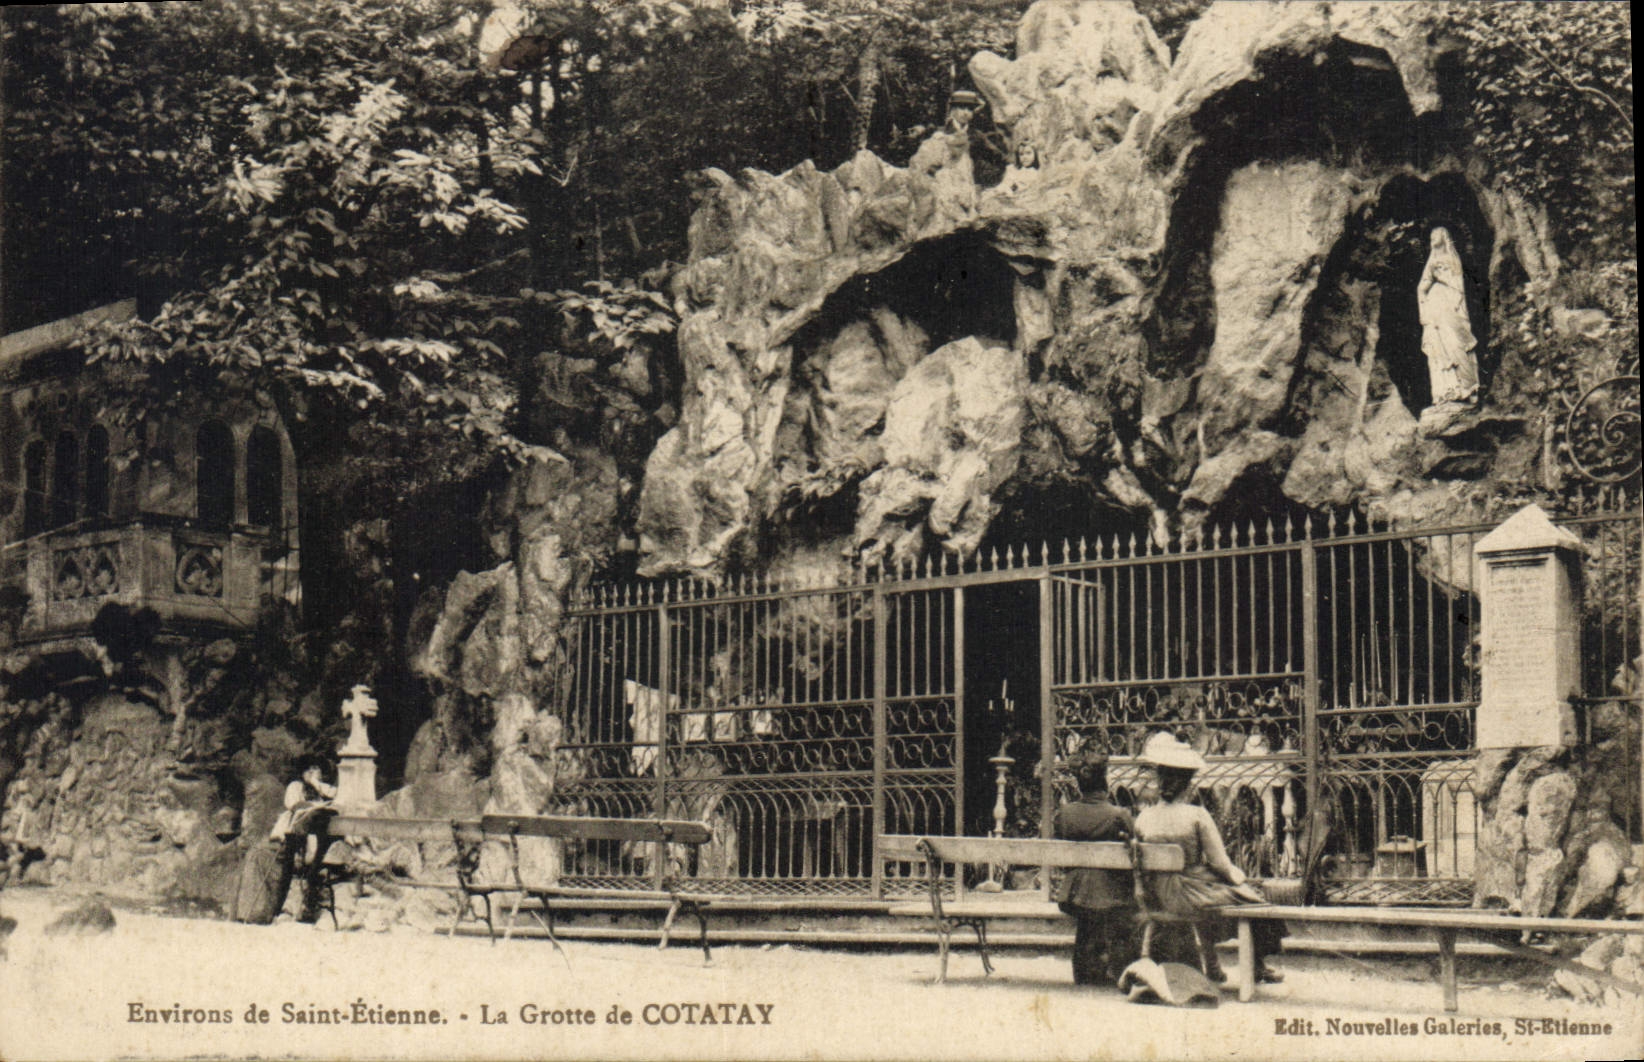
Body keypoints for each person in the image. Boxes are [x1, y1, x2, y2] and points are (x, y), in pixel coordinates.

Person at [1133, 732, 1285, 984]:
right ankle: (1256, 965)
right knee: (1252, 900)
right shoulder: (1197, 815)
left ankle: (1213, 966)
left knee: (1211, 896)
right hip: (1191, 895)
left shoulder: (1143, 818)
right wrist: (1239, 878)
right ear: (1188, 782)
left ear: (1159, 779)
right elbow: (1220, 864)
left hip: (1158, 896)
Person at [1052, 753, 1136, 985]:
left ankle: (1085, 970)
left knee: (1088, 924)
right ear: (1105, 782)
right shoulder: (1119, 815)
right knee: (1120, 913)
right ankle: (1116, 968)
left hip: (1075, 891)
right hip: (1112, 892)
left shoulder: (1065, 814)